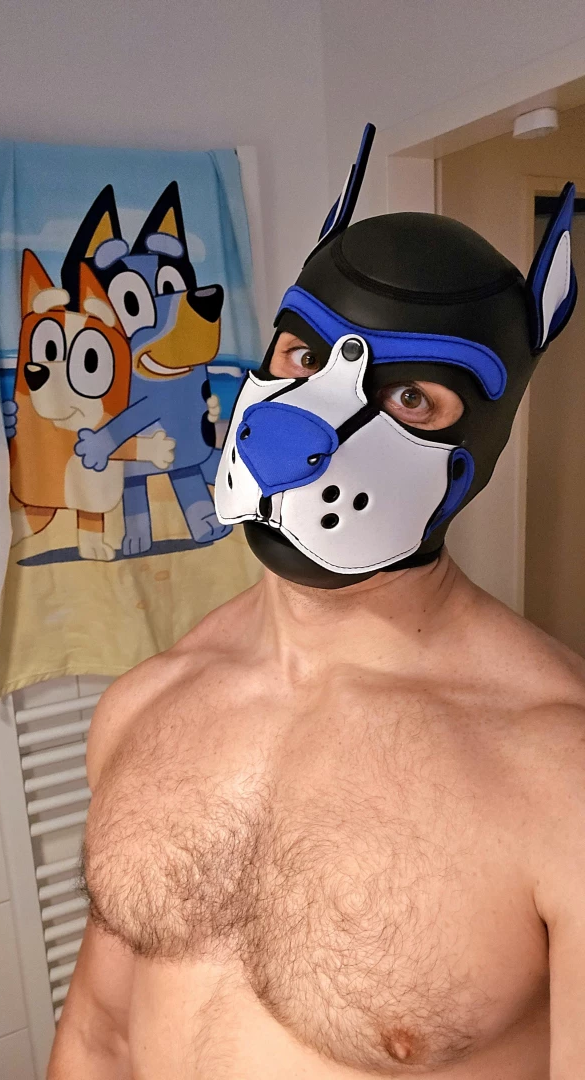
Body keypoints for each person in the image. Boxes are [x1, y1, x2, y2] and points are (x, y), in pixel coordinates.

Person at [48, 127, 585, 1079]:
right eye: (303, 355)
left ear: (483, 443)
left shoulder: (560, 774)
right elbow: (99, 1033)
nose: (313, 425)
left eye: (413, 399)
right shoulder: (148, 703)